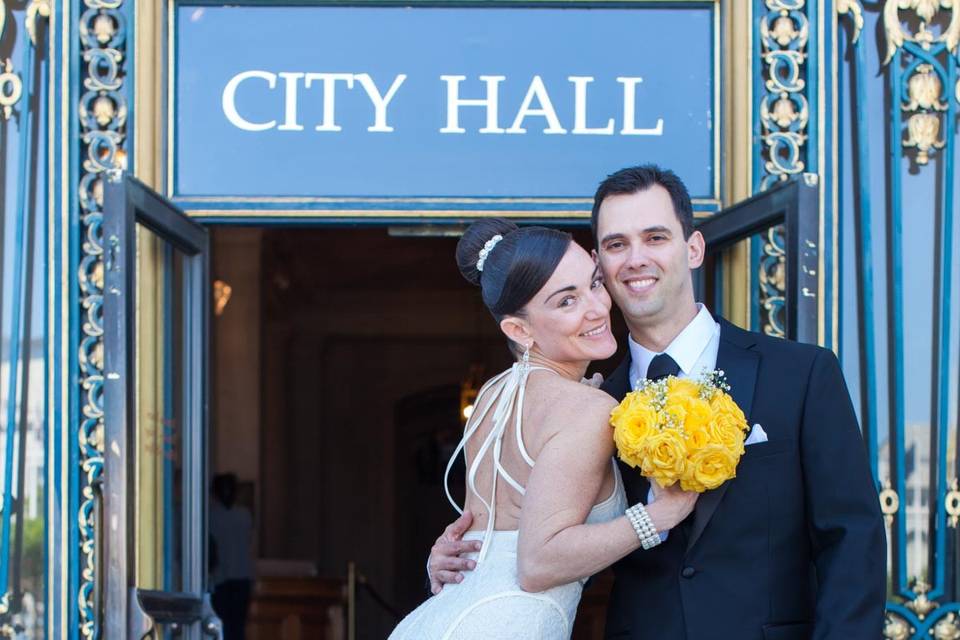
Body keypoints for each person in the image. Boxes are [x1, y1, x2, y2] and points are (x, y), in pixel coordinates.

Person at [428, 165, 887, 639]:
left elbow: (852, 539)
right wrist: (462, 557)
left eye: (655, 237)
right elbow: (542, 533)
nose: (635, 259)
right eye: (616, 245)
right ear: (599, 261)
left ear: (693, 248)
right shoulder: (592, 403)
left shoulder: (802, 373)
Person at [390, 219, 699, 639]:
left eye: (593, 283)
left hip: (440, 618)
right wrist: (659, 515)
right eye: (566, 302)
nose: (595, 307)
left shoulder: (492, 394)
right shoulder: (585, 408)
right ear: (519, 330)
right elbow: (537, 564)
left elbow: (485, 534)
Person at [209, 473, 254, 640]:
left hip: (221, 578)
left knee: (222, 627)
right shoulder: (244, 515)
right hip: (240, 577)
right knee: (237, 628)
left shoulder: (211, 516)